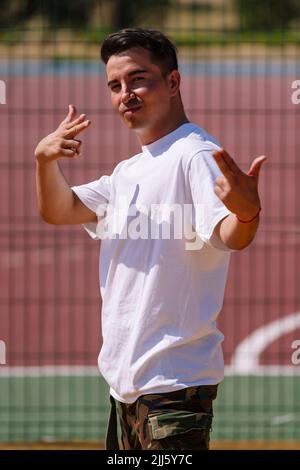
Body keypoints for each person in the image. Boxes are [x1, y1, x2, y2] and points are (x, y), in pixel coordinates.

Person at [34, 28, 266, 450]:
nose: (126, 94)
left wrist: (247, 211)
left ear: (173, 82)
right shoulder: (127, 173)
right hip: (125, 389)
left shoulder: (195, 155)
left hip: (174, 388)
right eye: (115, 85)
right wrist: (45, 162)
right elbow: (59, 209)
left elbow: (230, 236)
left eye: (139, 79)